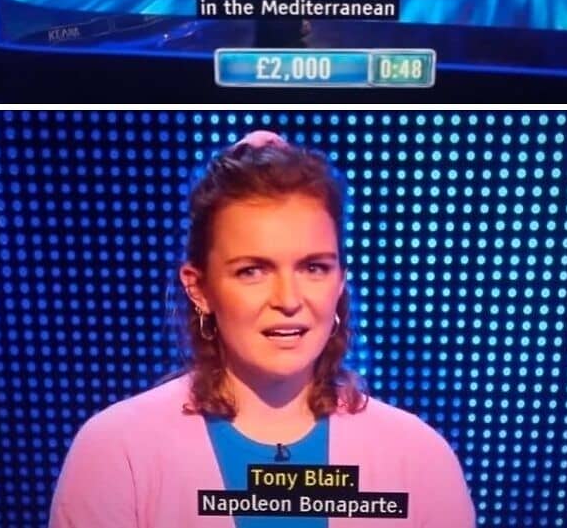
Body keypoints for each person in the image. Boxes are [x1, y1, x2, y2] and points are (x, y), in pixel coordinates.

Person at [49, 131, 476, 528]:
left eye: (313, 267)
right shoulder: (117, 453)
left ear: (340, 282)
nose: (288, 299)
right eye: (252, 270)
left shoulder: (419, 459)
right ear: (199, 288)